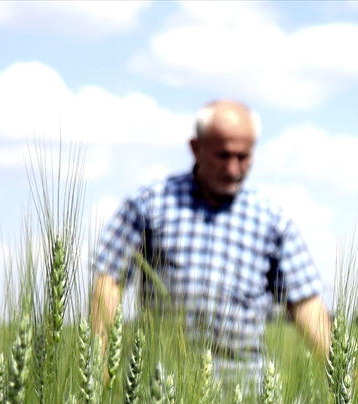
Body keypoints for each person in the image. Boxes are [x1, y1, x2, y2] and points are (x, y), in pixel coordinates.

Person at [90, 100, 331, 377]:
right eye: (223, 155)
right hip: (161, 382)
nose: (233, 169)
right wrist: (100, 366)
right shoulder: (149, 205)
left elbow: (305, 302)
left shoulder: (271, 220)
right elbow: (108, 281)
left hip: (246, 387)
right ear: (196, 148)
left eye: (243, 156)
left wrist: (343, 377)